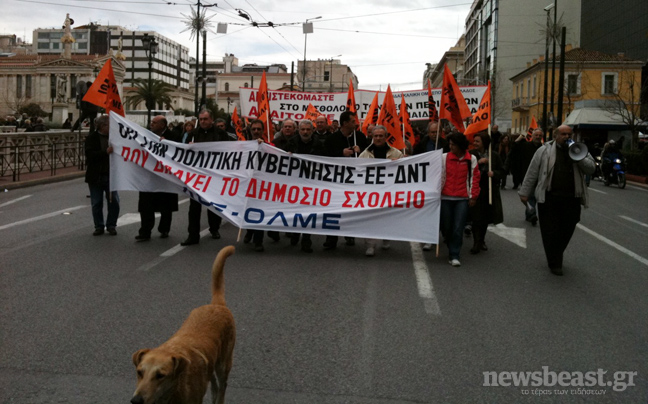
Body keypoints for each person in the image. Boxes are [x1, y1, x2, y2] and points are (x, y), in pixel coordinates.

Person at [518, 125, 595, 276]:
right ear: (555, 136)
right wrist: (524, 192)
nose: (567, 137)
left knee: (569, 226)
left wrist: (578, 157)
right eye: (563, 134)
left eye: (569, 134)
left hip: (572, 198)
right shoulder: (544, 150)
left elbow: (591, 168)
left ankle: (555, 253)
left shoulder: (580, 149)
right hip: (549, 197)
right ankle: (555, 261)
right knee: (550, 230)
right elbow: (532, 172)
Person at [181, 110, 234, 246]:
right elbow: (182, 151)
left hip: (214, 175)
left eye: (205, 119)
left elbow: (227, 150)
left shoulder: (220, 134)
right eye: (201, 119)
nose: (203, 121)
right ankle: (193, 235)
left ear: (211, 119)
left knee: (213, 204)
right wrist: (188, 147)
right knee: (194, 207)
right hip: (196, 176)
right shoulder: (193, 135)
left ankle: (214, 228)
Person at [323, 111, 369, 250]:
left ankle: (349, 234)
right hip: (336, 180)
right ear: (344, 123)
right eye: (353, 120)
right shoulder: (332, 139)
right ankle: (331, 239)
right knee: (334, 208)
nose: (356, 123)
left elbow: (369, 155)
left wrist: (361, 151)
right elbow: (325, 156)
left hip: (355, 180)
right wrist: (341, 153)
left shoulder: (360, 137)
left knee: (350, 208)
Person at [283, 120, 326, 253]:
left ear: (312, 131)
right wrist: (286, 156)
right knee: (296, 209)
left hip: (312, 183)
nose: (305, 132)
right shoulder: (291, 143)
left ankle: (306, 239)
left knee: (308, 211)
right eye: (303, 129)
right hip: (295, 183)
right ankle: (296, 232)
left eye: (308, 129)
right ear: (299, 130)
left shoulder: (319, 144)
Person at [359, 125, 402, 256]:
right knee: (370, 218)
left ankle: (386, 238)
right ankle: (370, 245)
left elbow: (405, 171)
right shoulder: (364, 154)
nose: (378, 138)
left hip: (389, 191)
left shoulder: (396, 153)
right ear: (372, 137)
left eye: (380, 136)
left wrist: (400, 162)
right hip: (371, 191)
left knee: (387, 216)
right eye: (375, 136)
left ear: (386, 137)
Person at [438, 133, 480, 267]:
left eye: (453, 145)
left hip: (462, 198)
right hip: (445, 197)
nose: (450, 147)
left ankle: (454, 254)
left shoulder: (471, 159)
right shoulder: (444, 158)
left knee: (458, 227)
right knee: (447, 226)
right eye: (449, 144)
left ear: (461, 146)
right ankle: (449, 243)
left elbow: (475, 178)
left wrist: (473, 196)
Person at [135, 115, 181, 241]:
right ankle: (145, 231)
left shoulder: (174, 136)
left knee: (166, 206)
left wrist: (167, 144)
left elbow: (179, 150)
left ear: (162, 125)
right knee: (145, 204)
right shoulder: (146, 135)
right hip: (149, 175)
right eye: (151, 122)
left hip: (166, 177)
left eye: (154, 122)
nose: (151, 124)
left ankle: (164, 229)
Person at [242, 119, 280, 251]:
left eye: (259, 129)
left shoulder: (269, 145)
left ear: (263, 131)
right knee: (248, 210)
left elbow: (278, 159)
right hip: (248, 183)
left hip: (263, 185)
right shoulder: (244, 146)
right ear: (250, 131)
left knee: (259, 210)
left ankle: (258, 241)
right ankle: (250, 231)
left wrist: (263, 147)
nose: (256, 131)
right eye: (254, 129)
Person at [468, 133, 504, 254]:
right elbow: (466, 170)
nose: (475, 143)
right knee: (475, 217)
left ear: (484, 142)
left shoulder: (494, 155)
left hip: (488, 190)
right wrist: (478, 162)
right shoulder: (471, 154)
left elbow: (502, 171)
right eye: (474, 141)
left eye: (478, 141)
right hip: (475, 188)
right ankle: (476, 242)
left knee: (484, 218)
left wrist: (494, 174)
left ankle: (481, 240)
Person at [85, 115, 120, 236]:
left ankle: (111, 225)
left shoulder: (115, 137)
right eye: (109, 125)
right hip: (96, 175)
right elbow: (89, 155)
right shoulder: (92, 138)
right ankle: (99, 226)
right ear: (103, 126)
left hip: (111, 175)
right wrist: (105, 152)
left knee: (113, 201)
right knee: (96, 202)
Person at [508, 129, 543, 225]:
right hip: (527, 175)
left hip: (541, 177)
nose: (538, 137)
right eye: (536, 135)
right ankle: (532, 215)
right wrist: (519, 139)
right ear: (532, 136)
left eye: (540, 135)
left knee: (536, 196)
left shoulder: (544, 148)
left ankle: (530, 214)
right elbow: (514, 149)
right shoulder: (525, 146)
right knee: (530, 196)